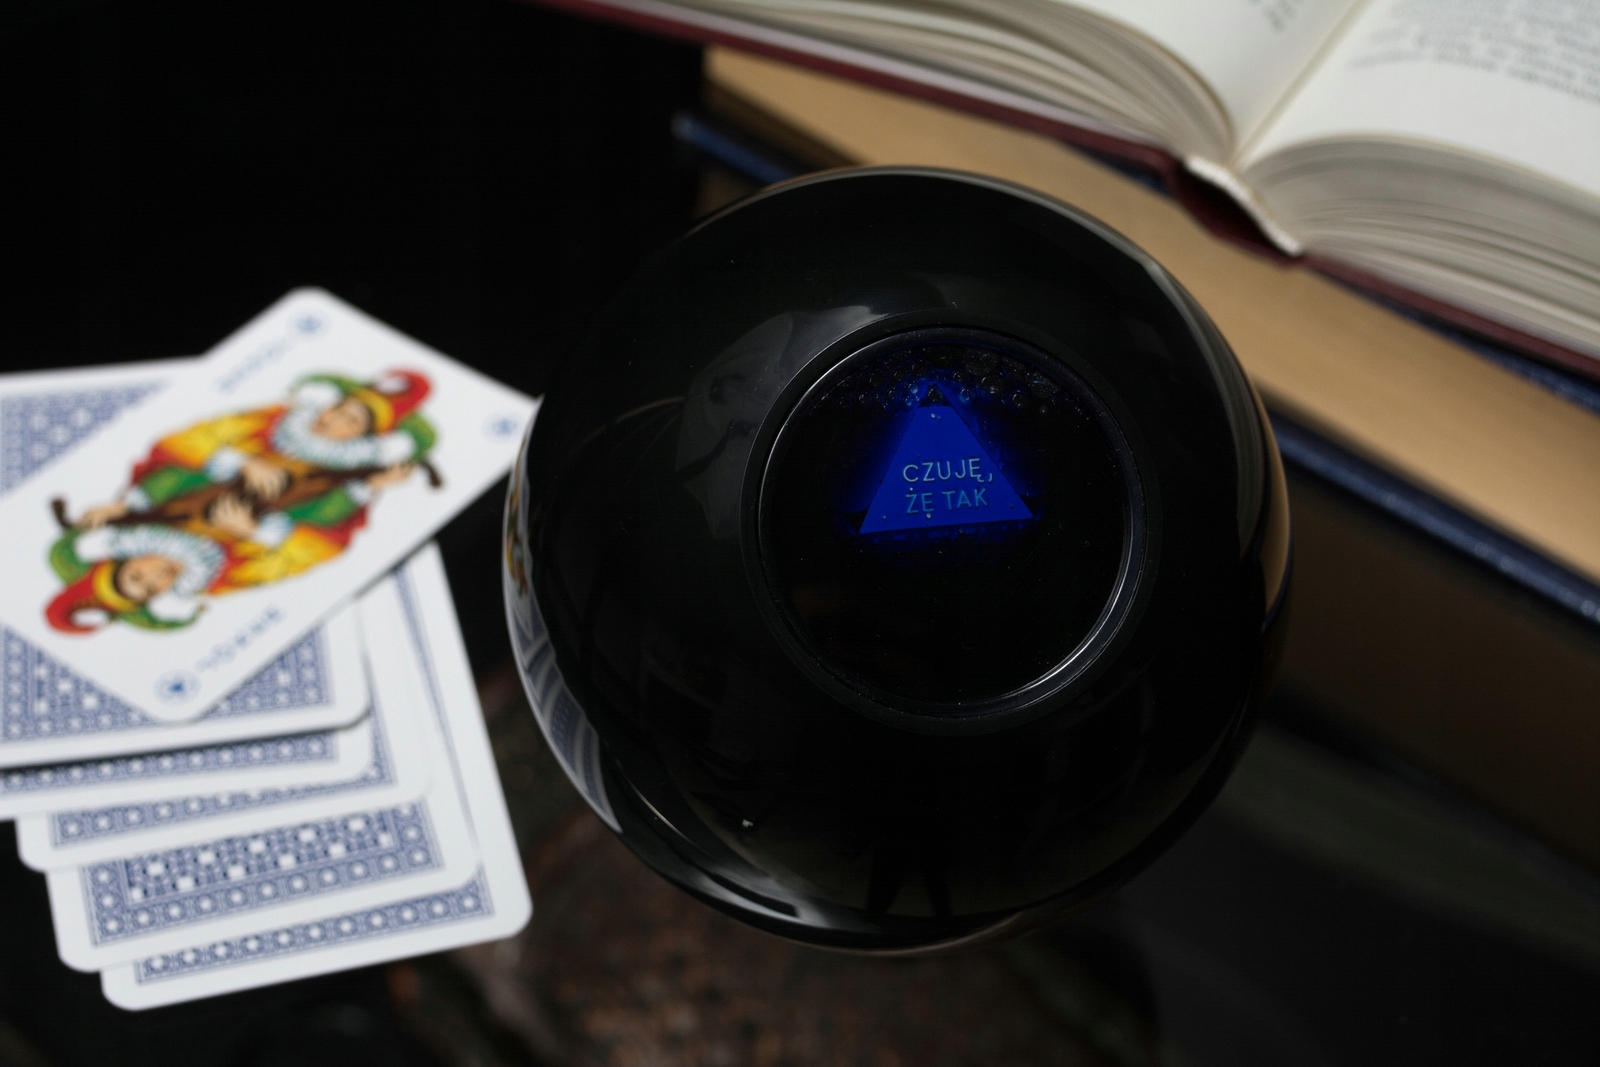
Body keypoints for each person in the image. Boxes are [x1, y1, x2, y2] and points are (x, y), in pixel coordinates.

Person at [45, 370, 438, 632]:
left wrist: (242, 462)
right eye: (152, 589)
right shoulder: (217, 574)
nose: (155, 575)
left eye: (137, 575)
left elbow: (178, 466)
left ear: (126, 559)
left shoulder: (149, 518)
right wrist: (255, 531)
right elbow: (309, 550)